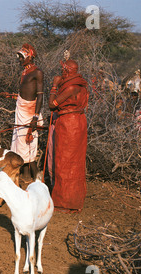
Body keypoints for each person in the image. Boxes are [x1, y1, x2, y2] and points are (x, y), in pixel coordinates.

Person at [47, 59, 89, 212]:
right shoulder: (81, 85)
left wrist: (54, 85)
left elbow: (52, 104)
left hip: (68, 125)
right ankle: (74, 200)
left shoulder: (71, 87)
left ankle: (64, 202)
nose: (61, 72)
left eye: (63, 70)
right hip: (78, 122)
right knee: (75, 162)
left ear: (67, 71)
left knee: (64, 162)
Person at [10, 43, 44, 181]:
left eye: (22, 57)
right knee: (20, 142)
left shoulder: (37, 72)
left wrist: (35, 118)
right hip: (22, 109)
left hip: (29, 113)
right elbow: (25, 92)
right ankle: (25, 176)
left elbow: (40, 95)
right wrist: (16, 96)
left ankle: (36, 177)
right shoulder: (24, 72)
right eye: (19, 57)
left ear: (29, 57)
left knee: (27, 142)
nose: (19, 60)